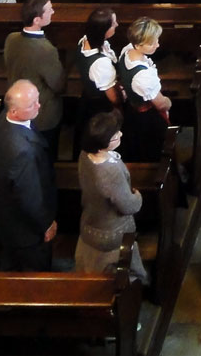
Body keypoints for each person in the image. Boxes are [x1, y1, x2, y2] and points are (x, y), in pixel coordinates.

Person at [75, 110, 148, 282]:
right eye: (115, 136)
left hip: (90, 222)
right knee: (124, 276)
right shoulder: (109, 172)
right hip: (111, 233)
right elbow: (129, 206)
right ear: (102, 144)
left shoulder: (85, 155)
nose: (121, 134)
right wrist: (138, 197)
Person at [0, 80, 57, 271]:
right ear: (14, 111)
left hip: (10, 219)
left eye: (37, 100)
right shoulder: (21, 150)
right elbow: (29, 196)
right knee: (32, 274)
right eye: (32, 105)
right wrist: (45, 224)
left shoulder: (6, 117)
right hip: (26, 230)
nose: (39, 106)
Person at [3, 0, 65, 159]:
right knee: (44, 158)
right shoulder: (46, 50)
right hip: (42, 114)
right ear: (37, 19)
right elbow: (58, 84)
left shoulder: (11, 38)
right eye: (49, 9)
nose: (53, 11)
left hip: (17, 106)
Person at [74, 8, 122, 157]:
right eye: (113, 24)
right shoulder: (100, 64)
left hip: (89, 96)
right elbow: (113, 97)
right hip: (100, 106)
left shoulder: (85, 40)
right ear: (104, 31)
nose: (117, 25)